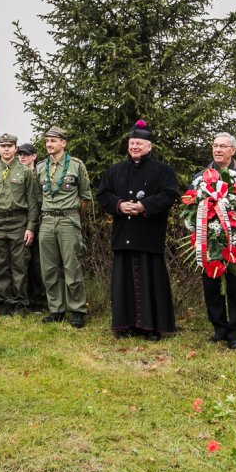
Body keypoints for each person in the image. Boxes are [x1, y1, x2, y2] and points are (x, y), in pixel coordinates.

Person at [98, 121, 180, 337]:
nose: (134, 147)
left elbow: (169, 194)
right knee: (123, 283)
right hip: (123, 233)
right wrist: (119, 205)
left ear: (149, 146)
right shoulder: (116, 170)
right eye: (132, 143)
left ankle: (150, 327)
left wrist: (145, 206)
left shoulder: (162, 170)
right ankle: (125, 326)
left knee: (150, 281)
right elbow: (103, 194)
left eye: (139, 143)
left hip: (148, 235)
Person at [191, 132, 236, 349]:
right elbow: (192, 205)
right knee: (211, 285)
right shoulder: (201, 176)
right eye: (215, 146)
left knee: (235, 286)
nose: (218, 150)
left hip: (235, 239)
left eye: (223, 146)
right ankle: (219, 328)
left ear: (233, 150)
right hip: (208, 239)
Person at [0, 133, 40, 314]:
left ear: (15, 148)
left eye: (10, 146)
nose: (6, 149)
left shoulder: (26, 172)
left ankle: (20, 302)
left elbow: (33, 203)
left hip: (18, 221)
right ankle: (5, 301)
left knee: (20, 264)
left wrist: (30, 227)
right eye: (3, 146)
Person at [36, 127, 91, 328]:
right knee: (49, 268)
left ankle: (77, 309)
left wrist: (76, 217)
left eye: (53, 140)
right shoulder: (41, 167)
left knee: (71, 266)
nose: (49, 144)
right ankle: (56, 309)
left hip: (69, 220)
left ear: (63, 143)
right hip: (47, 220)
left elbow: (85, 197)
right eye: (47, 141)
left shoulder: (76, 165)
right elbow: (38, 196)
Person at [18, 142, 48, 312]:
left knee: (39, 263)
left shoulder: (41, 173)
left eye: (26, 154)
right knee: (23, 262)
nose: (22, 157)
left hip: (42, 221)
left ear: (34, 156)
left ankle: (39, 301)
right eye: (20, 154)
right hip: (23, 222)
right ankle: (25, 299)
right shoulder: (18, 174)